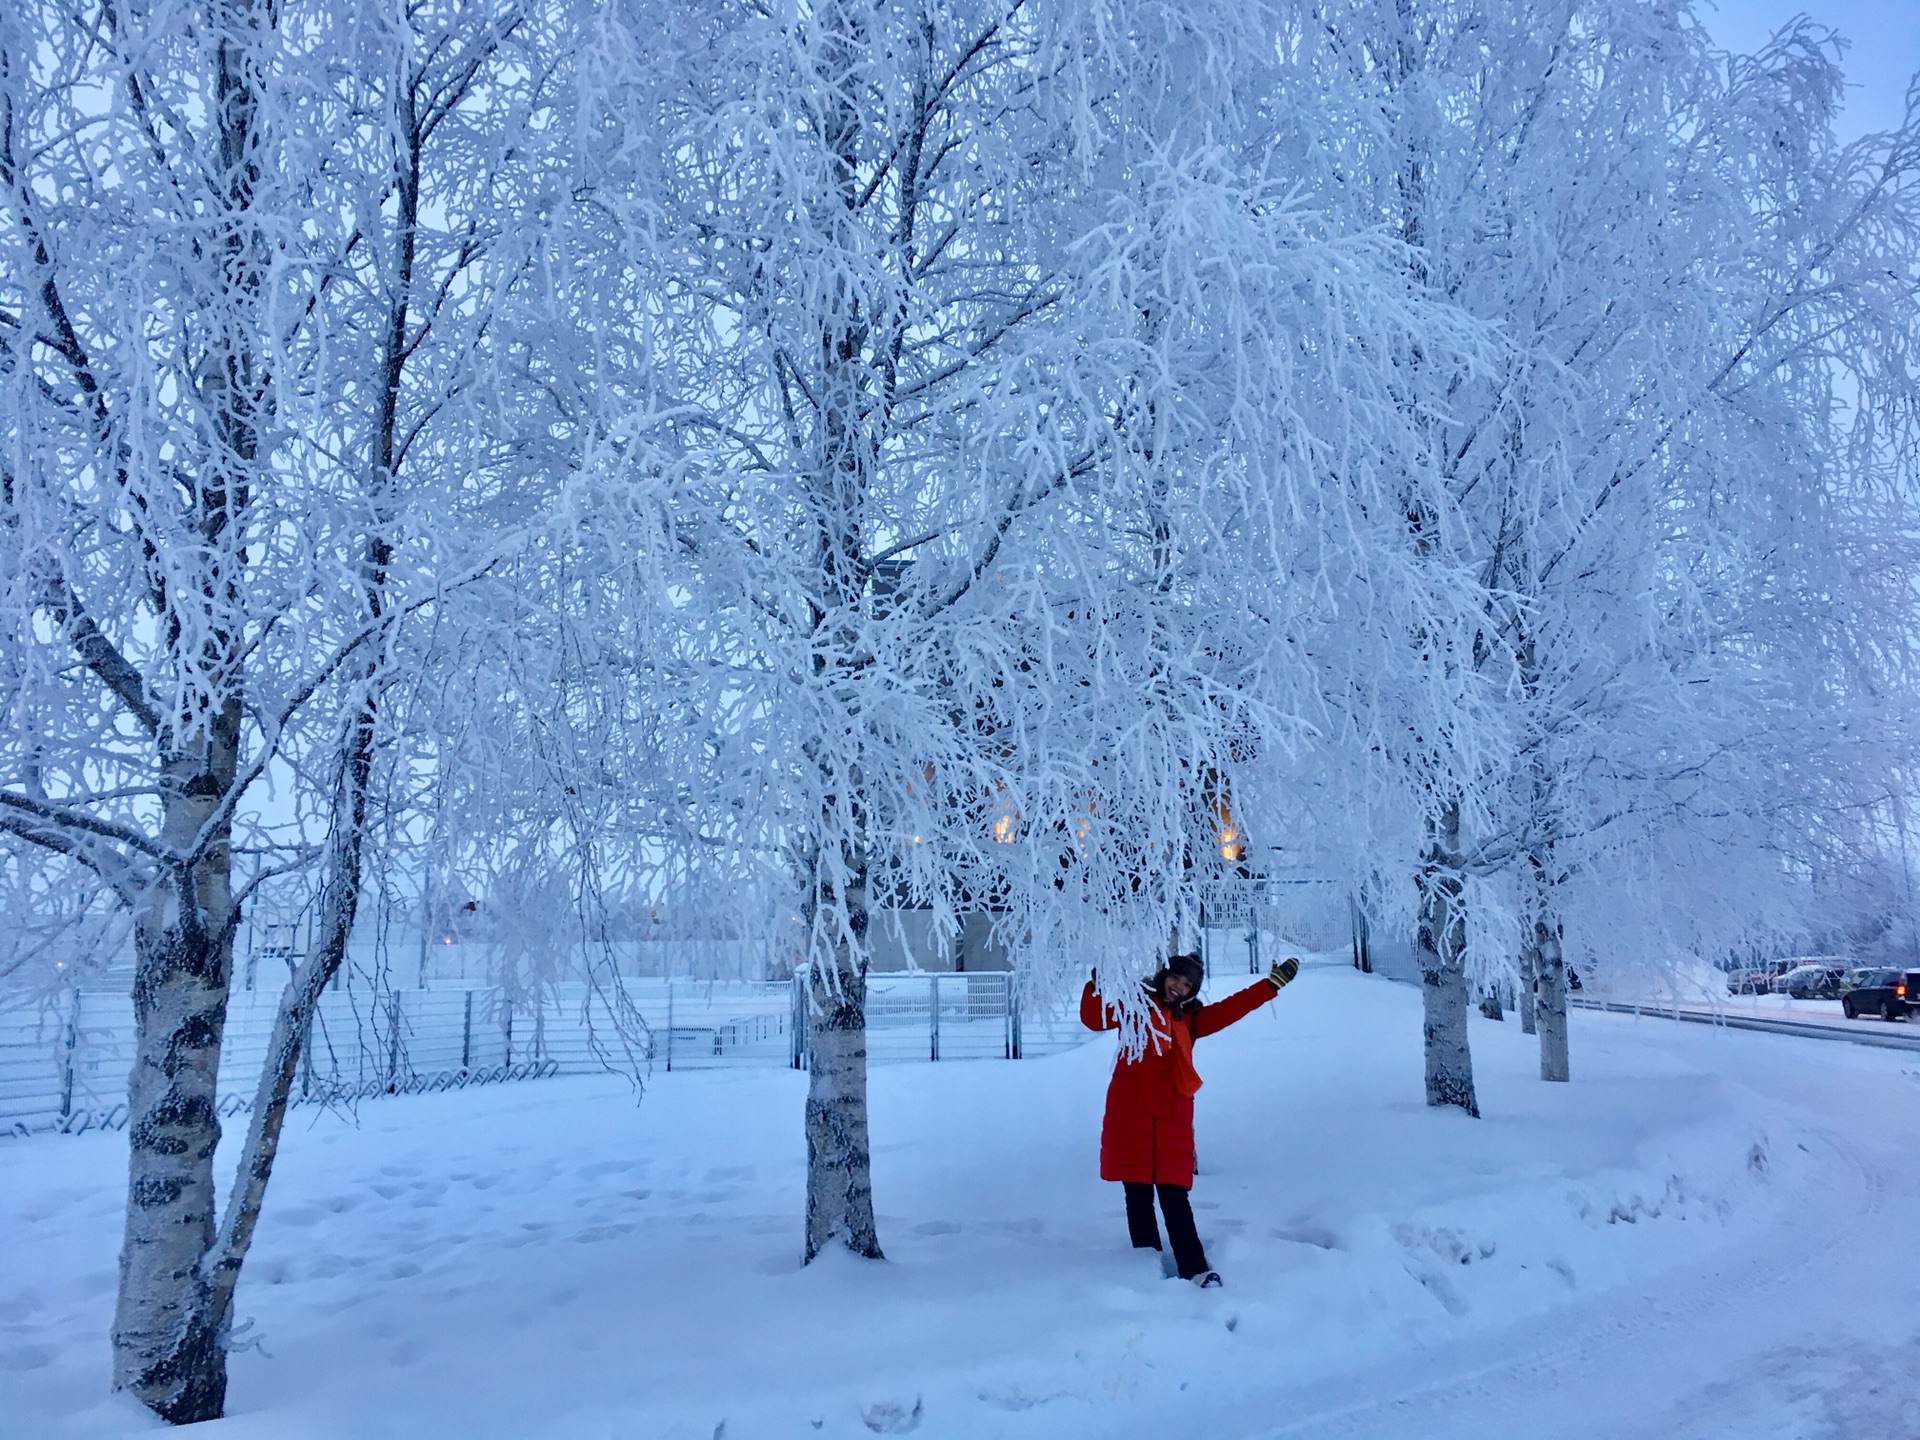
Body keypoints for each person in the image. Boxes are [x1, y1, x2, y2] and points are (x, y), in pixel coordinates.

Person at [1080, 950, 1300, 1287]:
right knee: (1137, 1197)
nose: (1178, 988)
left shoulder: (1190, 1021)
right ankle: (1145, 1266)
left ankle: (1194, 1269)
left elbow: (1232, 1008)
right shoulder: (1136, 1006)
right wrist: (1097, 984)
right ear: (1163, 977)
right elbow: (1095, 1019)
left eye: (1187, 985)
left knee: (1175, 1199)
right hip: (1131, 1117)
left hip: (1171, 1121)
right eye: (1175, 979)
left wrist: (1269, 986)